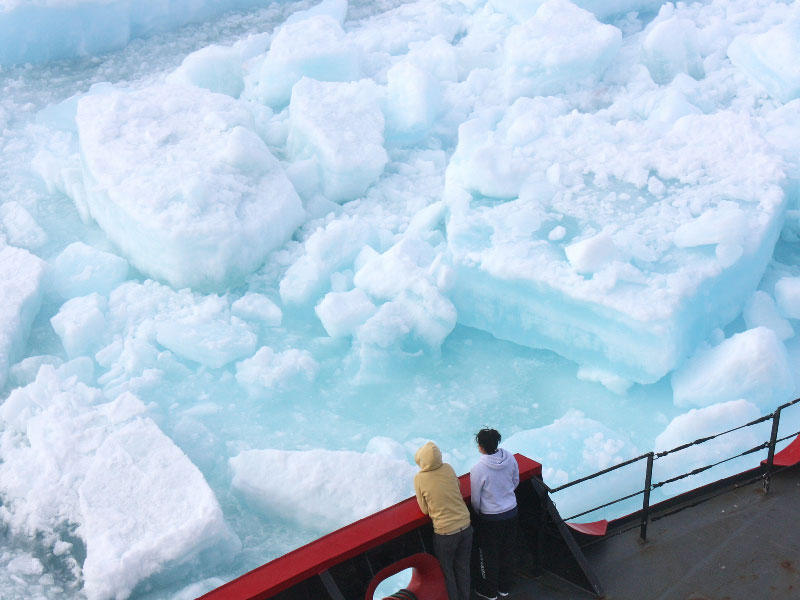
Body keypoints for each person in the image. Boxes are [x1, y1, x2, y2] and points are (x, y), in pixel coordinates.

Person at [414, 441, 473, 600]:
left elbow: (424, 510)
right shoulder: (448, 468)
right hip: (465, 526)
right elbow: (458, 487)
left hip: (445, 533)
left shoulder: (419, 479)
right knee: (463, 568)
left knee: (447, 572)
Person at [470, 428, 519, 600]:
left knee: (490, 555)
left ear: (481, 446)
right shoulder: (510, 457)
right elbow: (515, 481)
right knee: (507, 550)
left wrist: (481, 512)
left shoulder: (478, 469)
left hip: (491, 518)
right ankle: (504, 587)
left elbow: (475, 499)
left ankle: (490, 592)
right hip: (511, 512)